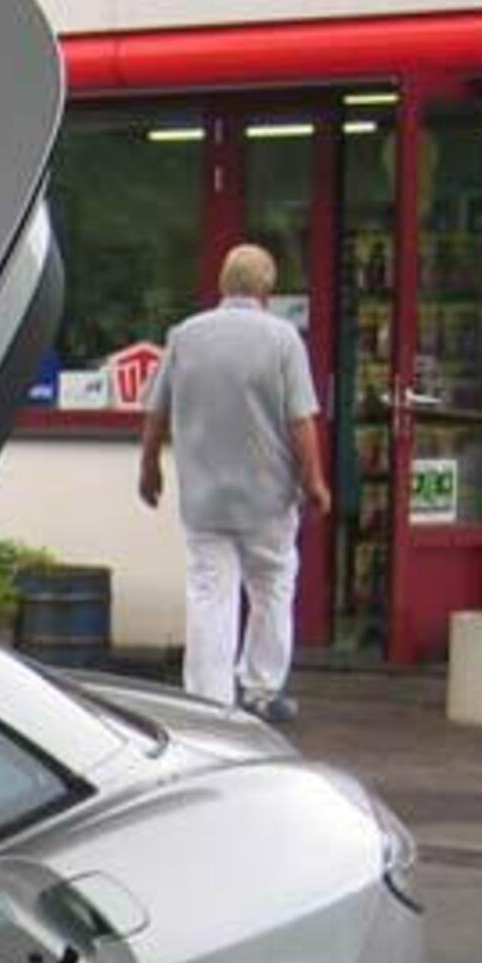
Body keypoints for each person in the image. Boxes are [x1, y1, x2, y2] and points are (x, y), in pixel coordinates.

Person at [136, 242, 329, 722]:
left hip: (204, 496)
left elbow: (156, 411)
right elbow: (300, 421)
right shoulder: (283, 339)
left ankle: (207, 700)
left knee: (208, 593)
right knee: (271, 585)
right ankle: (261, 689)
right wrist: (315, 480)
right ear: (267, 288)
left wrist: (149, 467)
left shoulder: (185, 336)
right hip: (266, 497)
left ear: (223, 284)